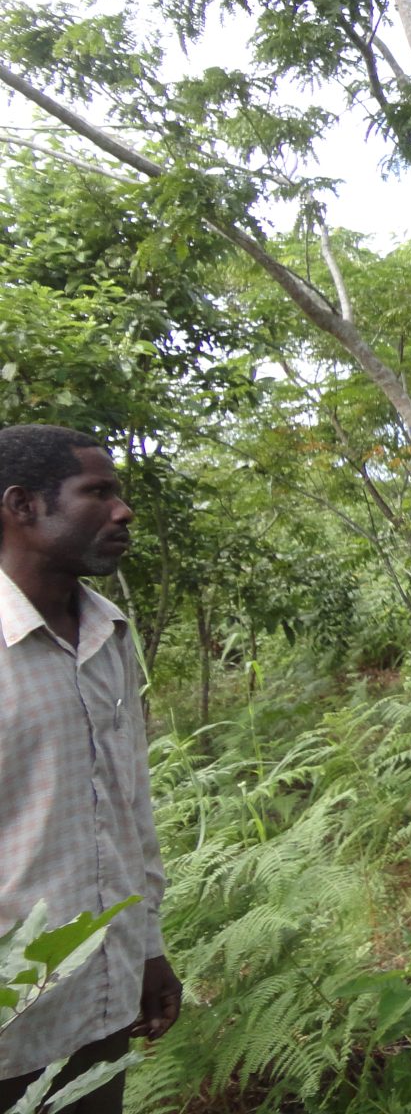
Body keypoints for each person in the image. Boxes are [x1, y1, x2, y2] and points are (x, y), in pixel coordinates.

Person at [0, 425, 182, 1114]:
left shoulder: (109, 635)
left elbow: (128, 808)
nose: (123, 511)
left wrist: (147, 948)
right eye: (97, 492)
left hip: (98, 1001)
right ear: (23, 505)